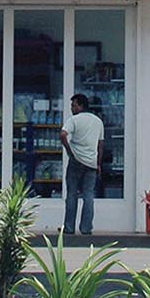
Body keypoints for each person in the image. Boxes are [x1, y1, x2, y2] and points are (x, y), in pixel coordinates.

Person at [60, 93, 104, 235]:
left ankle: (69, 227)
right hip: (91, 163)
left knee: (72, 194)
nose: (72, 108)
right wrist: (98, 163)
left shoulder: (74, 120)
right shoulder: (98, 122)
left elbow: (63, 134)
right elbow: (100, 145)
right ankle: (86, 228)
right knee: (88, 195)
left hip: (76, 161)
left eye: (74, 105)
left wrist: (69, 150)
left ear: (81, 106)